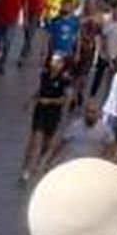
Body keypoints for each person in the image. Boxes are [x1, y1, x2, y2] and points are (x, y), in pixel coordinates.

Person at [20, 54, 72, 186]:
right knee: (34, 140)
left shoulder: (65, 80)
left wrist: (50, 101)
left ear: (62, 65)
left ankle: (39, 161)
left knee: (47, 142)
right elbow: (41, 90)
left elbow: (65, 99)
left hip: (53, 114)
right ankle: (26, 169)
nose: (54, 64)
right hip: (40, 111)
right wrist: (30, 100)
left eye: (57, 62)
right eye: (53, 61)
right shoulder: (44, 75)